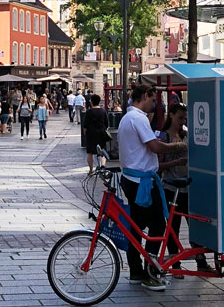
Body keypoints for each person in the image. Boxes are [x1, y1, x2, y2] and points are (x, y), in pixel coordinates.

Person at [119, 84, 186, 291]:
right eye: (152, 99)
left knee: (136, 229)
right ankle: (150, 271)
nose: (154, 104)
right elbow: (155, 147)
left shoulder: (126, 118)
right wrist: (178, 146)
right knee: (157, 226)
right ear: (145, 96)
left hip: (132, 178)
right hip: (143, 182)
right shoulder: (139, 118)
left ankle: (136, 271)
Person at [157, 103, 216, 277]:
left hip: (188, 186)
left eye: (185, 119)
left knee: (195, 226)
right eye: (180, 118)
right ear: (171, 115)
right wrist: (176, 162)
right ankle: (175, 264)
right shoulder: (164, 137)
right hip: (171, 186)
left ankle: (201, 262)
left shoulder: (185, 135)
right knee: (173, 228)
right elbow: (158, 166)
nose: (182, 122)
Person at [84, 94, 109, 174]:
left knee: (90, 152)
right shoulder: (103, 111)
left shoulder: (89, 112)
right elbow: (107, 124)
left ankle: (91, 170)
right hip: (101, 133)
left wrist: (85, 134)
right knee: (102, 151)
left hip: (91, 134)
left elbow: (85, 125)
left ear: (92, 102)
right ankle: (102, 166)